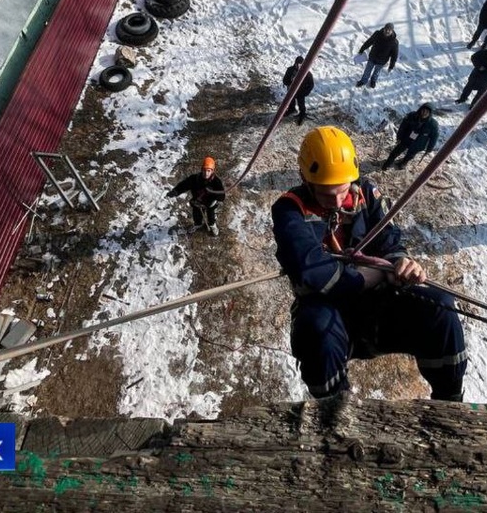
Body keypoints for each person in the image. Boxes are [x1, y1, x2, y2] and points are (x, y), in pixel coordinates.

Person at [271, 126, 467, 401]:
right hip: (328, 309)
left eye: (342, 191)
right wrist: (370, 276)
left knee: (441, 306)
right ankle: (334, 408)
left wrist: (400, 265)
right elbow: (312, 272)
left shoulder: (366, 194)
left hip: (377, 307)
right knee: (315, 330)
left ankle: (450, 401)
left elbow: (389, 241)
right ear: (306, 180)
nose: (337, 202)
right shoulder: (290, 210)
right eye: (327, 194)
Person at [167, 157, 226, 236]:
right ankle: (198, 224)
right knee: (197, 215)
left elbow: (222, 197)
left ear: (212, 171)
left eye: (209, 171)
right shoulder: (195, 179)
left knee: (211, 216)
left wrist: (213, 193)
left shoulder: (216, 182)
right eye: (204, 170)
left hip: (210, 204)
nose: (206, 173)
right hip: (197, 202)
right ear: (202, 169)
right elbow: (184, 185)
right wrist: (175, 191)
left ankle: (212, 225)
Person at [383, 103, 439, 170]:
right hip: (406, 138)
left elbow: (434, 137)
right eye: (423, 110)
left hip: (419, 143)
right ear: (420, 109)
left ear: (430, 113)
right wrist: (399, 137)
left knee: (410, 155)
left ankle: (403, 163)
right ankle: (388, 163)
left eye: (427, 112)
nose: (424, 113)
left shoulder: (433, 124)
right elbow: (403, 127)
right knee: (395, 152)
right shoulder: (412, 116)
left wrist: (429, 149)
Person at [356, 24, 399, 88]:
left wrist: (391, 66)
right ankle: (363, 81)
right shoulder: (377, 34)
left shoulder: (394, 42)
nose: (387, 31)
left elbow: (394, 55)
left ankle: (373, 81)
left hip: (382, 60)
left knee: (377, 72)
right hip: (372, 57)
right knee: (367, 70)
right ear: (384, 28)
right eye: (386, 29)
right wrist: (362, 49)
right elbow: (369, 42)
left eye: (389, 30)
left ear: (392, 31)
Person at [282, 55, 316, 125]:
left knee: (301, 104)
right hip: (291, 90)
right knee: (290, 101)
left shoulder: (307, 73)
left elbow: (311, 84)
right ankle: (291, 109)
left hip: (301, 92)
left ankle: (302, 114)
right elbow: (285, 80)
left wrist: (305, 92)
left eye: (300, 64)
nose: (298, 66)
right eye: (297, 64)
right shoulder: (290, 70)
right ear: (295, 63)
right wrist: (289, 83)